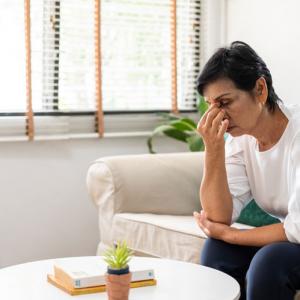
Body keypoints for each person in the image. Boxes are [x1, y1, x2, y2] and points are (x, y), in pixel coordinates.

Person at [193, 41, 300, 300]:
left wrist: (232, 234)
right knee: (217, 251)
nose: (219, 116)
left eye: (225, 102)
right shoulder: (242, 140)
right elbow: (218, 218)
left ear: (260, 89)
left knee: (270, 262)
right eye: (211, 106)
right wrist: (214, 149)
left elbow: (296, 229)